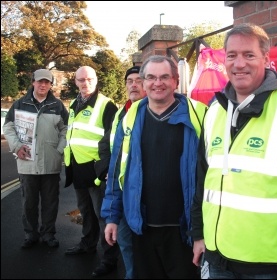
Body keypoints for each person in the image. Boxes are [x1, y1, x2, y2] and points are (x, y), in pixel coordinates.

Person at [190, 23, 277, 279]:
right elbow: (202, 180)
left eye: (249, 55)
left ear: (266, 59)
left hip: (267, 265)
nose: (239, 63)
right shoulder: (214, 111)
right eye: (231, 55)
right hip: (216, 256)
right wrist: (198, 233)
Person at [101, 55, 207, 279]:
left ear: (176, 81)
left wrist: (201, 231)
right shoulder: (130, 117)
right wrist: (111, 217)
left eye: (164, 77)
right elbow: (116, 170)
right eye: (150, 77)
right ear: (142, 81)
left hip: (184, 230)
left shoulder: (200, 114)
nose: (157, 83)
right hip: (142, 227)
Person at [63, 66, 120, 278]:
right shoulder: (74, 103)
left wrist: (106, 168)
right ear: (75, 81)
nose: (85, 83)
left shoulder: (106, 105)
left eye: (89, 79)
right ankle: (87, 244)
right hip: (78, 167)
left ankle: (109, 259)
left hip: (97, 171)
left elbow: (113, 140)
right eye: (81, 80)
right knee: (86, 212)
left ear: (96, 80)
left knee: (104, 216)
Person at [3, 69, 69, 249]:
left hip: (51, 162)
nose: (43, 85)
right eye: (40, 81)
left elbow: (66, 130)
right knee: (29, 203)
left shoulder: (57, 106)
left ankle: (48, 234)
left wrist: (59, 150)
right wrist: (17, 146)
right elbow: (8, 128)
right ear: (33, 82)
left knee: (50, 202)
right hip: (27, 164)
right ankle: (30, 235)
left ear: (50, 85)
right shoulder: (19, 104)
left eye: (47, 82)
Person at [95, 65, 146, 279]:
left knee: (143, 247)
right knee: (124, 241)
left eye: (138, 80)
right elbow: (107, 145)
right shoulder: (120, 112)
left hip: (143, 192)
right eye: (129, 81)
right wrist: (108, 170)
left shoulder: (151, 109)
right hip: (121, 190)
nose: (133, 85)